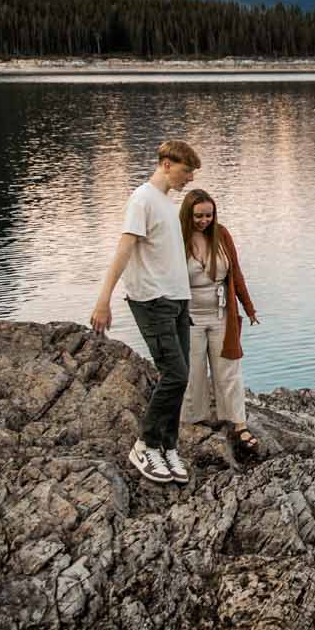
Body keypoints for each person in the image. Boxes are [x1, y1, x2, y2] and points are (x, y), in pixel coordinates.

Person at [90, 138, 201, 484]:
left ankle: (167, 447)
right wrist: (103, 299)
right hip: (152, 301)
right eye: (186, 171)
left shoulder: (167, 204)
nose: (189, 180)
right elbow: (124, 250)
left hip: (177, 301)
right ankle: (144, 445)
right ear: (166, 164)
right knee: (175, 374)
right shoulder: (142, 199)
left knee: (182, 377)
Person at [178, 188, 261, 462]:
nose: (204, 220)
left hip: (221, 313)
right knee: (194, 370)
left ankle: (238, 423)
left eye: (209, 215)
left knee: (229, 369)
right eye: (199, 216)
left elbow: (236, 272)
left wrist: (248, 307)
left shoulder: (222, 234)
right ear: (189, 214)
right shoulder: (178, 238)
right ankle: (194, 419)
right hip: (190, 317)